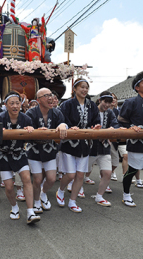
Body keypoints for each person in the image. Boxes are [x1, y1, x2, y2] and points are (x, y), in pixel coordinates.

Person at [0, 91, 40, 224]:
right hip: (4, 154)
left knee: (26, 178)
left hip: (19, 153)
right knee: (8, 186)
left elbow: (32, 136)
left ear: (21, 104)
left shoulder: (26, 119)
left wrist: (31, 130)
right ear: (6, 105)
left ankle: (30, 212)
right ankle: (14, 207)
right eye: (11, 103)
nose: (15, 106)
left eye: (17, 103)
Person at [56, 78, 100, 213]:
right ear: (74, 89)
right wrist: (69, 126)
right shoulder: (67, 104)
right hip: (70, 143)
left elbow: (95, 119)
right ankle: (61, 190)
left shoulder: (91, 105)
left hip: (85, 144)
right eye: (82, 87)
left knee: (80, 175)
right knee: (70, 174)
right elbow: (62, 119)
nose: (85, 90)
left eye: (86, 87)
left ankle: (73, 201)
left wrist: (97, 125)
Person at [26, 88, 67, 214]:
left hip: (50, 150)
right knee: (37, 179)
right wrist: (31, 128)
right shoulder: (30, 112)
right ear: (38, 100)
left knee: (51, 179)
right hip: (34, 150)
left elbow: (63, 124)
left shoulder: (56, 113)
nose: (50, 98)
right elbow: (25, 125)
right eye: (46, 96)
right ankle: (37, 201)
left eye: (51, 95)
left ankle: (43, 193)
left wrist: (62, 125)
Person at [85, 91, 119, 206]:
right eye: (105, 101)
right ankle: (77, 188)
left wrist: (111, 129)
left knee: (107, 173)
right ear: (100, 100)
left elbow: (116, 125)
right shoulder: (91, 111)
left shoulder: (110, 113)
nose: (107, 105)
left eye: (109, 102)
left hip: (105, 147)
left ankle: (99, 196)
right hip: (91, 147)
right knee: (83, 171)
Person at [119, 71, 143, 206]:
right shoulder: (131, 101)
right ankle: (126, 194)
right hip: (136, 140)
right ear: (137, 87)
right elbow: (121, 119)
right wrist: (132, 127)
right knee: (133, 169)